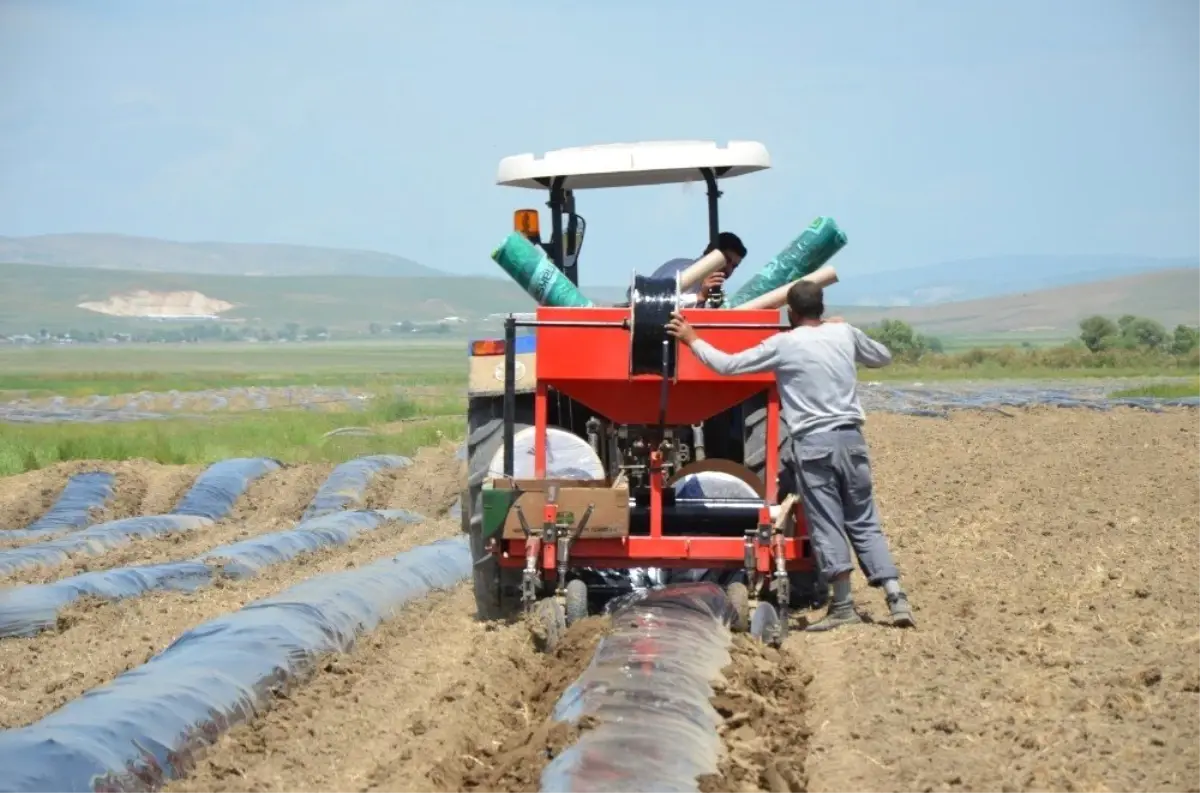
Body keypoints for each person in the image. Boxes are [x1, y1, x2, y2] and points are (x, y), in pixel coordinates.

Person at [664, 280, 916, 631]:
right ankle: (895, 596)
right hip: (852, 440)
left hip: (814, 445)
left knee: (827, 522)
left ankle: (843, 606)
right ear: (822, 308)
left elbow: (727, 366)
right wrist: (843, 329)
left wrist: (691, 339)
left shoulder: (785, 344)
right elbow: (884, 356)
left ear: (790, 313)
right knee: (863, 519)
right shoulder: (844, 334)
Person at [649, 231, 747, 306]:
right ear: (709, 251)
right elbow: (655, 302)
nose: (728, 269)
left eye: (734, 266)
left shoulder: (713, 292)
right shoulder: (682, 269)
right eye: (726, 260)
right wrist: (699, 297)